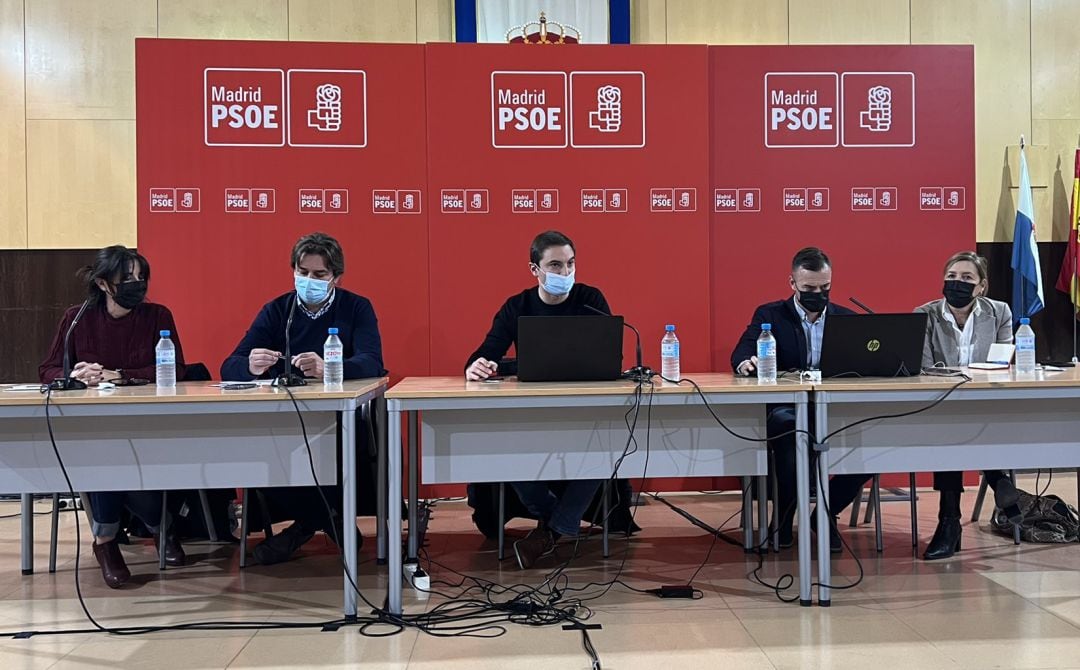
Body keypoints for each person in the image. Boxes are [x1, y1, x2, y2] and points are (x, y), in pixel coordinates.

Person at [221, 232, 384, 565]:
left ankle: (303, 528)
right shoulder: (277, 309)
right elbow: (229, 365)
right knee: (264, 445)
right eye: (303, 272)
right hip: (283, 416)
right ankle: (328, 520)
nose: (309, 280)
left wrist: (330, 367)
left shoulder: (356, 307)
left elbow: (372, 361)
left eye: (319, 275)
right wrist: (250, 365)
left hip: (339, 416)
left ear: (335, 277)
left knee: (339, 446)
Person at [38, 245, 187, 588]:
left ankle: (152, 525)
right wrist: (75, 377)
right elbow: (47, 369)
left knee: (116, 457)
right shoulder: (77, 317)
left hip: (147, 424)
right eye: (127, 278)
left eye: (141, 278)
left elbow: (176, 368)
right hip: (92, 427)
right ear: (104, 284)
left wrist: (118, 374)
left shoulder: (157, 316)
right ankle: (112, 541)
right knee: (102, 453)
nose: (137, 284)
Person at [465, 230, 609, 569]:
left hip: (582, 412)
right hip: (529, 413)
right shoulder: (517, 306)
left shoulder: (591, 300)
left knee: (607, 445)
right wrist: (478, 366)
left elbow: (605, 359)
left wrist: (514, 365)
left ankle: (550, 529)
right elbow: (484, 355)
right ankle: (557, 521)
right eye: (555, 265)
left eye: (570, 264)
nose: (565, 273)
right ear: (535, 269)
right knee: (502, 449)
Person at [730, 247, 872, 552]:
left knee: (875, 440)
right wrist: (746, 363)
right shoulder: (770, 315)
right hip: (787, 407)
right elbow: (741, 353)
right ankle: (783, 518)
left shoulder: (846, 319)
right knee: (790, 432)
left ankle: (824, 512)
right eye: (809, 288)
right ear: (792, 283)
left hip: (834, 408)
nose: (817, 294)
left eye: (825, 288)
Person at [915, 250, 1021, 560]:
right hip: (941, 403)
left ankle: (949, 523)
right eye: (951, 277)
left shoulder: (999, 312)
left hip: (987, 401)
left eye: (966, 278)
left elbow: (1003, 362)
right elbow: (923, 369)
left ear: (982, 286)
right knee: (951, 425)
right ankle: (997, 478)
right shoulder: (924, 314)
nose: (956, 284)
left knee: (963, 425)